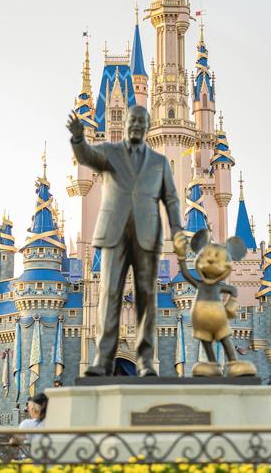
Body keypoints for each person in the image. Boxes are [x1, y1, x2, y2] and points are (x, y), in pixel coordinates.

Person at [67, 105, 184, 377]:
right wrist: (78, 138)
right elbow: (87, 156)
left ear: (148, 126)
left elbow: (171, 198)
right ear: (125, 124)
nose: (136, 125)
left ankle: (145, 362)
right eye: (133, 120)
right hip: (114, 234)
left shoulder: (159, 162)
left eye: (142, 121)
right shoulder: (110, 153)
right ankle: (103, 359)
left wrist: (177, 229)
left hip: (147, 235)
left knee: (146, 297)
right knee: (108, 293)